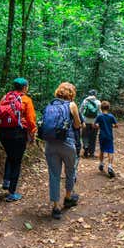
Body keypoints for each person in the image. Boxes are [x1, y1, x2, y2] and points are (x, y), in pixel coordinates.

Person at [40, 82, 82, 219]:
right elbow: (77, 124)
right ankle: (68, 198)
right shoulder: (72, 105)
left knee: (54, 174)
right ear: (71, 93)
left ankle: (55, 206)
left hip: (50, 144)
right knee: (70, 171)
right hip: (67, 143)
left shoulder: (50, 106)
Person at [0, 77, 37, 202]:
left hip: (3, 133)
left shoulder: (5, 97)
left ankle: (6, 181)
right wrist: (32, 133)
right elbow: (31, 119)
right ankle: (12, 193)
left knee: (10, 155)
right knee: (17, 160)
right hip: (18, 134)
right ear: (24, 87)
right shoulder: (26, 100)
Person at [94, 101, 118, 178]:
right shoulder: (111, 116)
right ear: (108, 108)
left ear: (101, 108)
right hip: (109, 136)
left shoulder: (99, 116)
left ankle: (101, 163)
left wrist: (98, 126)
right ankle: (110, 166)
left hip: (102, 136)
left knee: (102, 150)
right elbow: (116, 125)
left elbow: (95, 125)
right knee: (110, 151)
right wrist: (112, 126)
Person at [79, 89, 100, 157]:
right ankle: (91, 153)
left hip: (85, 122)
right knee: (93, 137)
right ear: (95, 94)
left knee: (85, 135)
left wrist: (81, 120)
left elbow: (80, 111)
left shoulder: (85, 101)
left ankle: (86, 147)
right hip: (94, 122)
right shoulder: (98, 102)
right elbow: (100, 113)